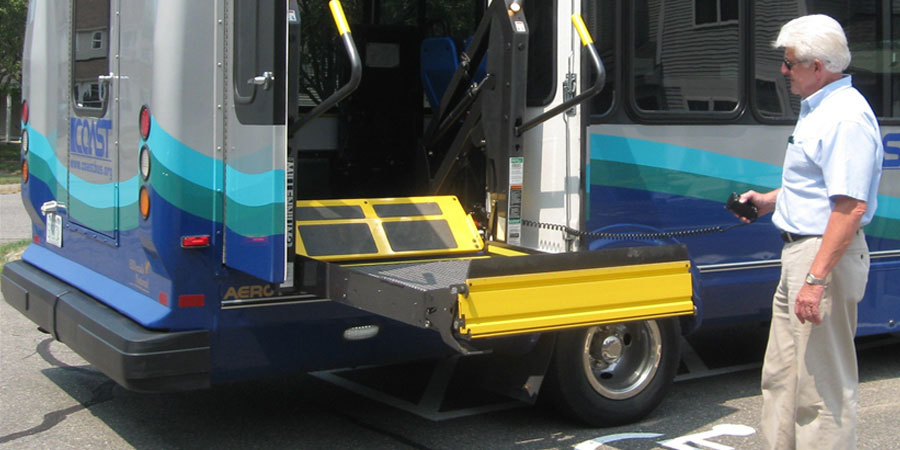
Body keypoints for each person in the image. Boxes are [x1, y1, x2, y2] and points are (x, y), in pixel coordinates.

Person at [734, 14, 884, 449]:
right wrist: (769, 201)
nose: (783, 70)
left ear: (817, 67)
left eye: (790, 62)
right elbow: (821, 186)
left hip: (822, 258)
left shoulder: (844, 118)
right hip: (803, 254)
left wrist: (815, 280)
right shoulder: (820, 110)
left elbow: (850, 206)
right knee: (782, 378)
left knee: (821, 389)